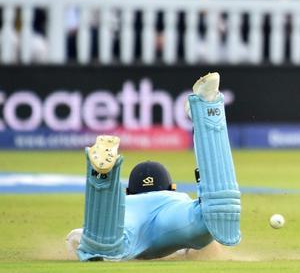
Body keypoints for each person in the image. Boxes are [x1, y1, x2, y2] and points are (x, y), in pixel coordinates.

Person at [65, 73, 241, 261]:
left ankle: (103, 179)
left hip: (128, 215)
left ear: (128, 192)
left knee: (104, 244)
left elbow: (74, 238)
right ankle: (207, 106)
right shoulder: (176, 198)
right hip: (172, 211)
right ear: (171, 187)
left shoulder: (127, 204)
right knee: (217, 214)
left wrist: (82, 237)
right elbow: (209, 245)